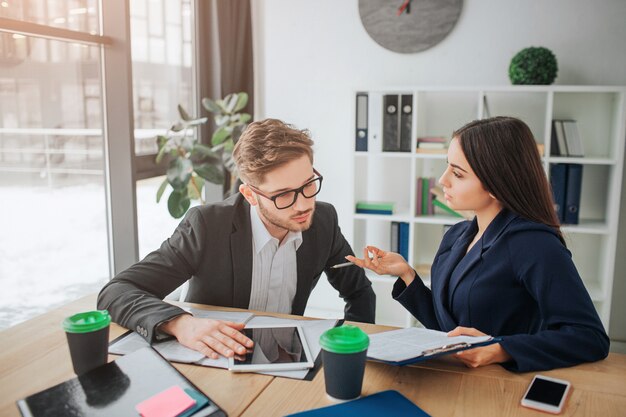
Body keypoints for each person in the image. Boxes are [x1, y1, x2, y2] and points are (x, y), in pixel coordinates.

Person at [98, 118, 375, 360]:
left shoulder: (323, 221)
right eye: (283, 195)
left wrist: (353, 353)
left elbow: (359, 293)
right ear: (250, 195)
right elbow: (117, 291)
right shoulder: (207, 226)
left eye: (308, 185)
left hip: (286, 359)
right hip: (213, 360)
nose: (303, 205)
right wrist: (182, 324)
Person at [347, 116, 609, 372]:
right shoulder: (457, 235)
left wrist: (501, 348)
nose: (442, 180)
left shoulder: (534, 245)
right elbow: (448, 329)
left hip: (499, 387)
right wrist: (407, 274)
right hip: (453, 377)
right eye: (448, 166)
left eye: (458, 174)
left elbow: (589, 336)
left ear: (497, 183)